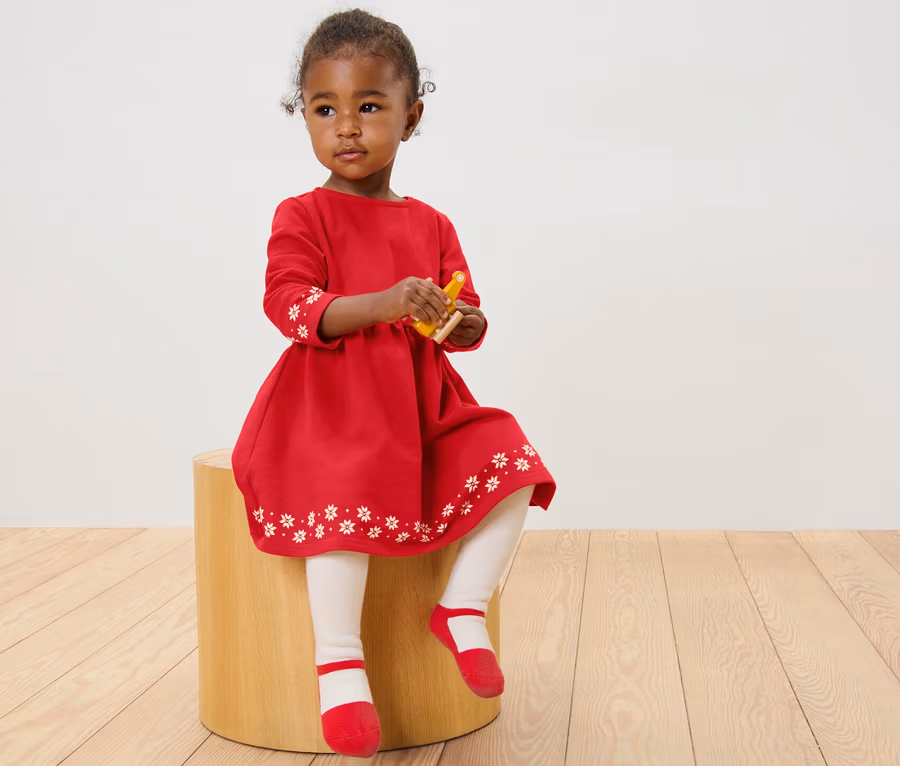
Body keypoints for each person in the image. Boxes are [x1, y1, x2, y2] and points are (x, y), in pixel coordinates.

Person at [231, 8, 557, 758]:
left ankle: (463, 607)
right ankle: (340, 665)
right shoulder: (302, 214)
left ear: (411, 118)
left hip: (420, 403)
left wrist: (461, 323)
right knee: (341, 489)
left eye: (370, 106)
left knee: (514, 462)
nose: (347, 127)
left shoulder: (431, 223)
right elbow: (289, 303)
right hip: (329, 404)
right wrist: (383, 303)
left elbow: (464, 316)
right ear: (303, 116)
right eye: (325, 109)